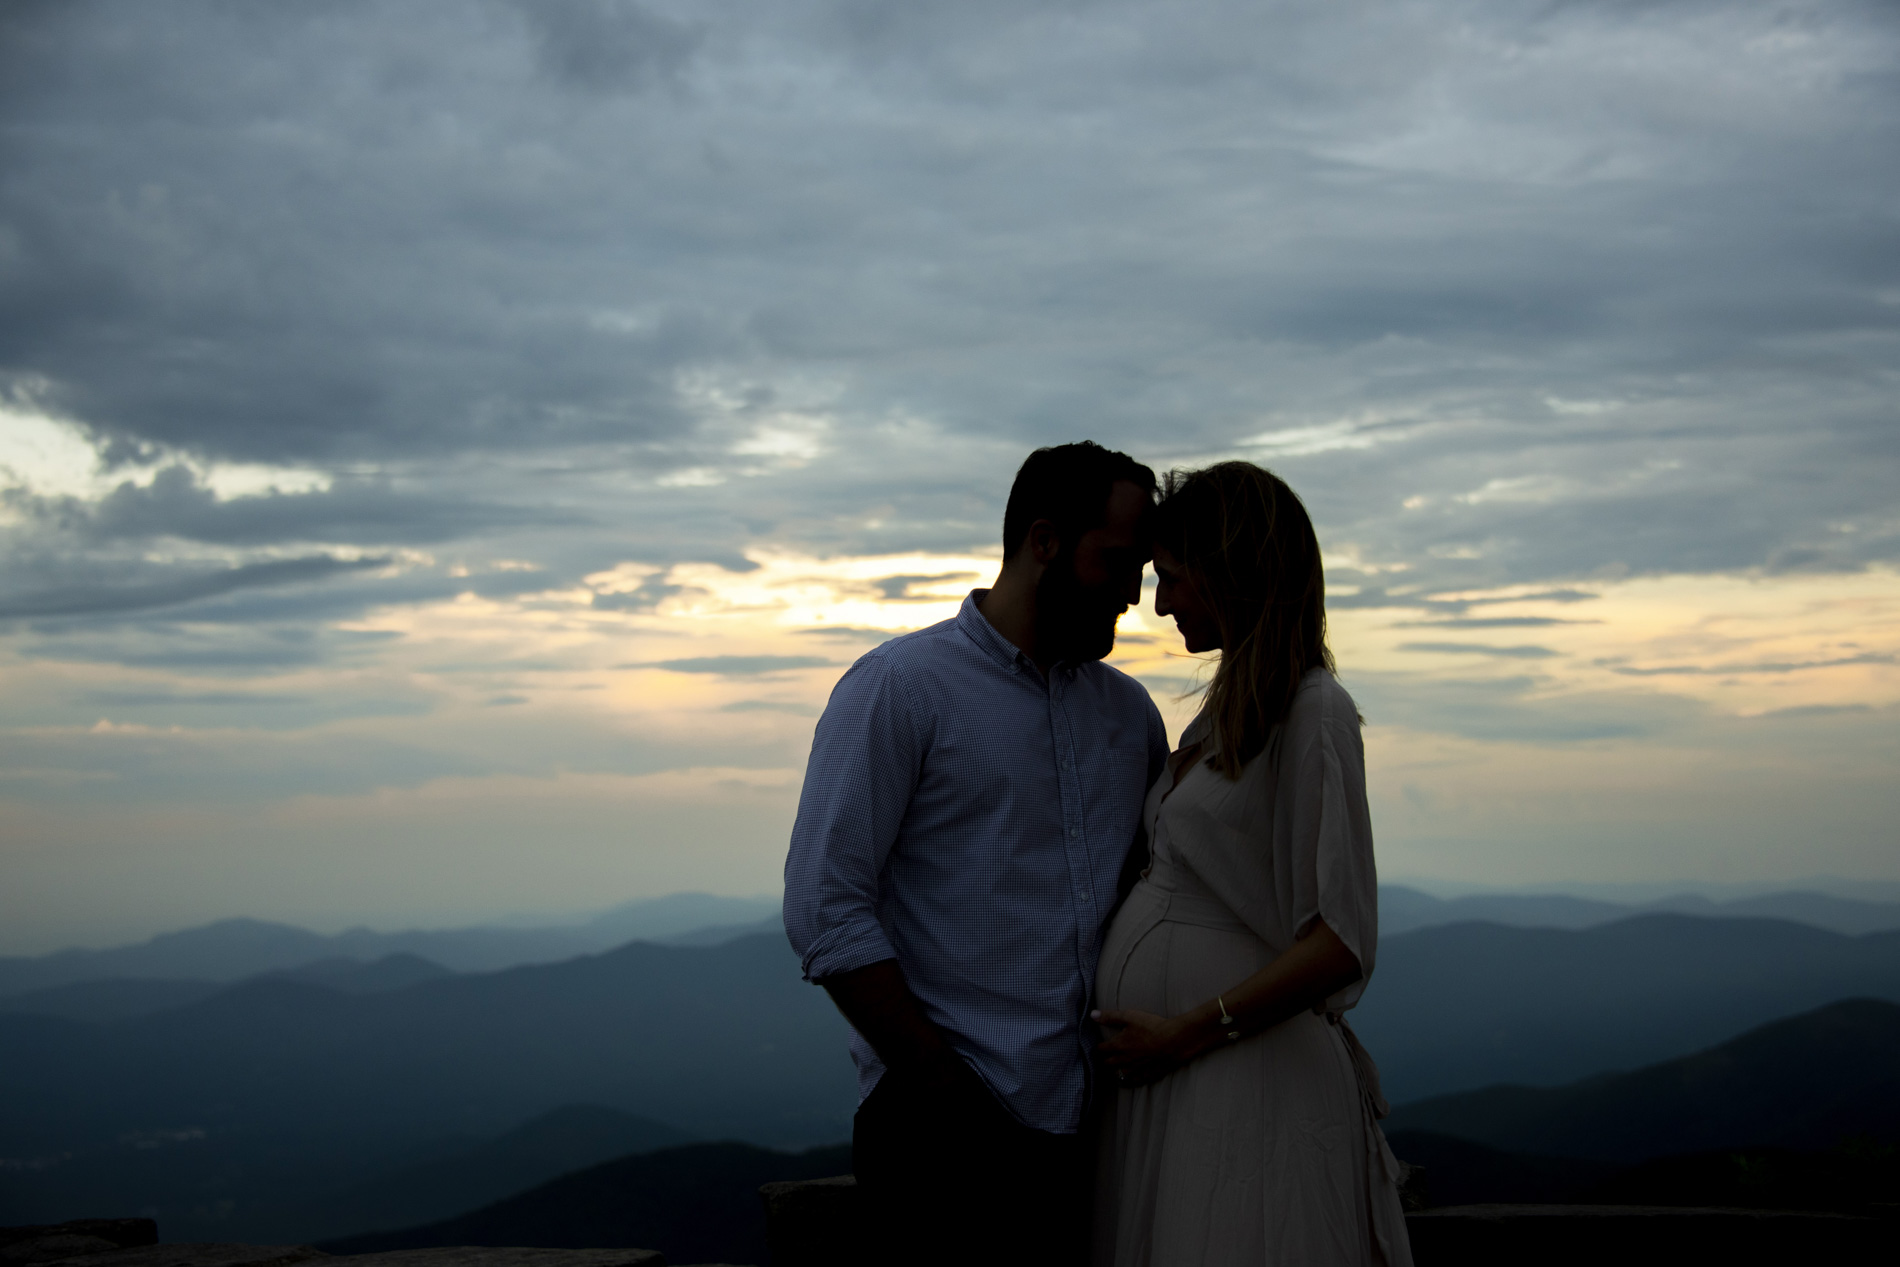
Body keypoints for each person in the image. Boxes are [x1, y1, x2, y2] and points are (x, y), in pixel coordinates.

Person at [783, 442, 1173, 1267]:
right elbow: (824, 907)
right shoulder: (900, 687)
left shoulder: (1130, 716)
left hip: (1089, 1131)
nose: (1136, 597)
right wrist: (940, 1083)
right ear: (1043, 541)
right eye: (1117, 562)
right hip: (940, 1140)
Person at [1091, 461, 1413, 1267]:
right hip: (1188, 1079)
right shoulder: (1230, 709)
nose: (1159, 603)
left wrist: (1186, 1032)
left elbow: (1340, 940)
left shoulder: (1316, 713)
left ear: (1231, 568)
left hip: (1246, 1081)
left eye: (1172, 578)